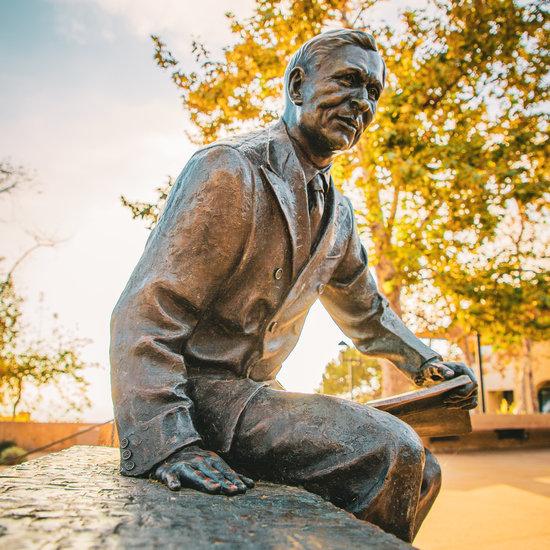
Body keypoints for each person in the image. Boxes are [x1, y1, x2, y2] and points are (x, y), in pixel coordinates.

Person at [110, 29, 477, 542]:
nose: (362, 102)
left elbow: (366, 312)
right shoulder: (229, 169)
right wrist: (169, 442)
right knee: (394, 450)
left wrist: (426, 363)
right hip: (195, 400)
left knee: (424, 473)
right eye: (349, 81)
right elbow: (145, 313)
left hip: (256, 397)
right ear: (298, 84)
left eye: (373, 92)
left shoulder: (338, 213)